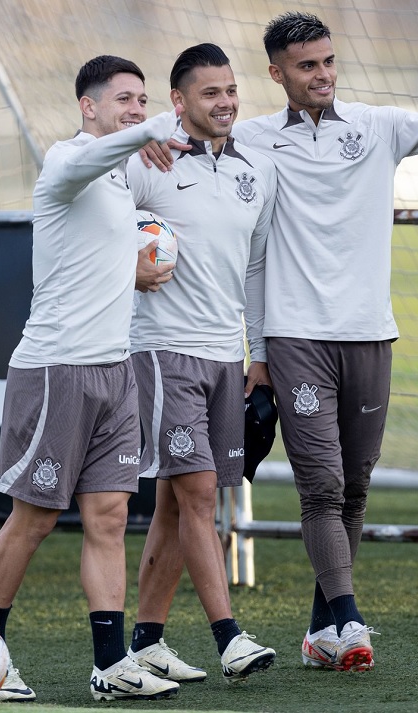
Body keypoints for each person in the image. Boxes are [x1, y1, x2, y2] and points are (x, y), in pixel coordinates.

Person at [145, 11, 418, 673]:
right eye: (307, 66)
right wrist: (260, 350)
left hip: (372, 332)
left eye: (328, 62)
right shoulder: (251, 138)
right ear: (277, 72)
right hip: (296, 337)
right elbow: (192, 123)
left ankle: (319, 632)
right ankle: (349, 617)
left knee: (356, 487)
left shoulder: (377, 127)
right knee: (322, 486)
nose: (323, 75)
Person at [0, 55, 182, 702]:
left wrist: (131, 269)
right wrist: (149, 129)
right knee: (33, 519)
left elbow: (92, 257)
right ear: (88, 107)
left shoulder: (125, 173)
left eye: (142, 99)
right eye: (124, 99)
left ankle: (110, 663)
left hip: (114, 370)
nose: (135, 108)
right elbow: (98, 160)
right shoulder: (65, 162)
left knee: (109, 516)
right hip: (55, 369)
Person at [124, 43, 278, 684]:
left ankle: (147, 642)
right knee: (198, 493)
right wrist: (122, 265)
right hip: (163, 353)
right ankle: (229, 637)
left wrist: (259, 356)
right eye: (209, 93)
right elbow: (77, 218)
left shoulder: (256, 170)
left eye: (231, 90)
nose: (225, 103)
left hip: (225, 357)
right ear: (178, 102)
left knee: (172, 504)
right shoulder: (144, 161)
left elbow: (256, 268)